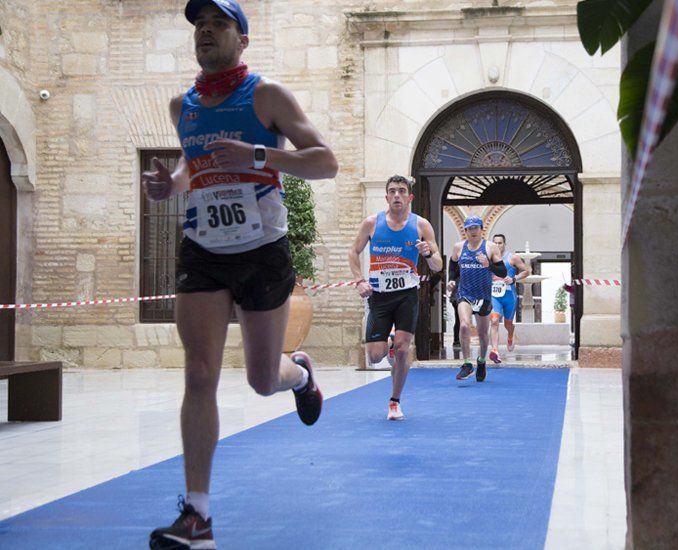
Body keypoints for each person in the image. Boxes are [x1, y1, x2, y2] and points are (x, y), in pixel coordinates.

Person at [140, 1, 338, 548]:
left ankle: (298, 372)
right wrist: (171, 185)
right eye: (199, 24)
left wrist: (257, 156)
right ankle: (197, 517)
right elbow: (190, 168)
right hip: (203, 249)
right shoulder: (184, 106)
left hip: (261, 249)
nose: (205, 31)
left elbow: (325, 161)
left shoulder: (267, 96)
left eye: (219, 23)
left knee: (260, 379)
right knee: (199, 374)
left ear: (242, 40)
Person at [348, 175, 442, 420]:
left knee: (403, 349)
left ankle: (394, 401)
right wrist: (360, 280)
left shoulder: (421, 225)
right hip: (379, 296)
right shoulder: (372, 223)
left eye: (402, 191)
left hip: (407, 295)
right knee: (375, 356)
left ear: (409, 197)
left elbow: (437, 265)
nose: (397, 195)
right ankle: (388, 345)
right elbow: (353, 252)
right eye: (392, 191)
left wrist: (428, 252)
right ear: (387, 197)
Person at [446, 216, 508, 382]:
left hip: (483, 296)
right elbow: (452, 266)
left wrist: (489, 265)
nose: (473, 231)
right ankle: (466, 363)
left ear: (482, 229)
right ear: (465, 231)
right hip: (464, 293)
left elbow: (503, 272)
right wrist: (451, 280)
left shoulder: (490, 247)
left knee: (482, 334)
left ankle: (481, 361)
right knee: (464, 325)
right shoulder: (459, 247)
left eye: (476, 228)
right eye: (469, 229)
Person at [487, 234, 529, 363]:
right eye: (495, 243)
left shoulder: (512, 258)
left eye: (500, 243)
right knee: (494, 321)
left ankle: (511, 334)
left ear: (505, 244)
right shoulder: (488, 259)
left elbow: (526, 271)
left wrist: (514, 279)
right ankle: (495, 350)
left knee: (508, 324)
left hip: (509, 295)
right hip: (494, 295)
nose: (498, 245)